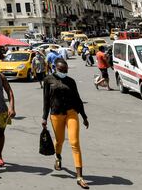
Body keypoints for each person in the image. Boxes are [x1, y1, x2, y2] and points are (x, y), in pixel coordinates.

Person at [42, 58, 90, 189]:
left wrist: (84, 116)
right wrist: (44, 118)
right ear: (55, 68)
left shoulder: (71, 81)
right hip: (56, 114)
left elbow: (78, 99)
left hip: (71, 112)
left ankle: (79, 176)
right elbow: (46, 100)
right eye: (61, 70)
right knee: (60, 140)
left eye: (66, 70)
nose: (64, 72)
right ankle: (58, 157)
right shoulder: (48, 80)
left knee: (74, 142)